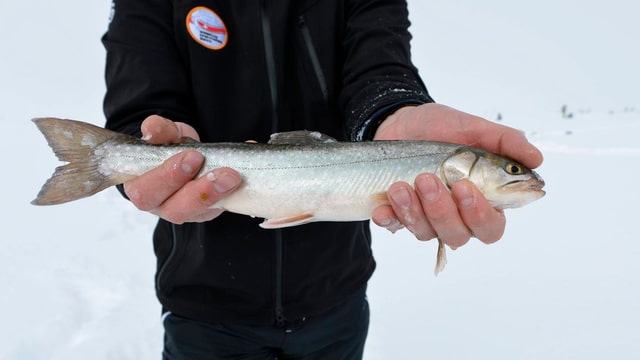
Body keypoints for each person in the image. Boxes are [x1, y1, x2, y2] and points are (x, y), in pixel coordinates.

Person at [102, 1, 543, 359]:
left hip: (336, 301)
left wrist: (391, 112)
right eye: (511, 170)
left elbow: (379, 70)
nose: (520, 177)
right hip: (204, 306)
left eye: (512, 171)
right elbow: (139, 108)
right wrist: (146, 147)